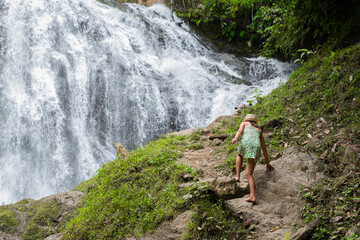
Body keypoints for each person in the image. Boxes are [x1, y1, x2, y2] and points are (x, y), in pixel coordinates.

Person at [231, 114, 275, 203]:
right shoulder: (259, 129)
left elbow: (239, 131)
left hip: (246, 142)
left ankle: (237, 176)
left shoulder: (245, 123)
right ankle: (252, 196)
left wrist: (235, 138)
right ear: (255, 122)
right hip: (256, 147)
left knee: (240, 155)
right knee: (249, 174)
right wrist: (267, 163)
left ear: (247, 119)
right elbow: (264, 147)